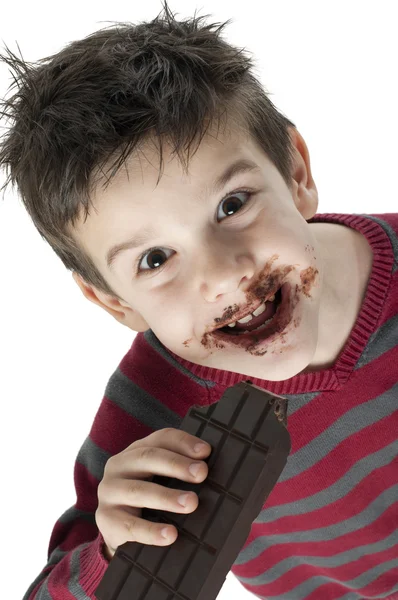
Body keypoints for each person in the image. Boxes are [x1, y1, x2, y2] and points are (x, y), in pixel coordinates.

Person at [1, 2, 397, 599]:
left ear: (295, 173)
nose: (223, 275)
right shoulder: (156, 412)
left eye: (233, 205)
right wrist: (114, 546)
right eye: (155, 260)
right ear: (111, 301)